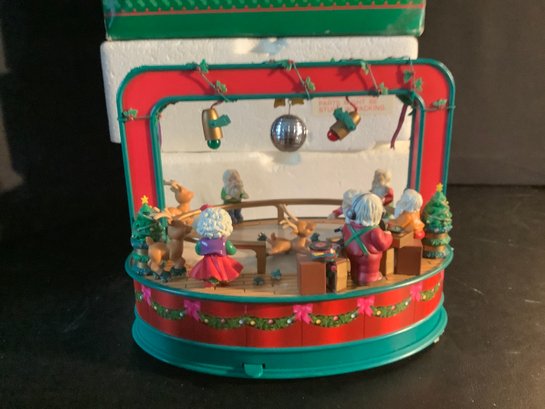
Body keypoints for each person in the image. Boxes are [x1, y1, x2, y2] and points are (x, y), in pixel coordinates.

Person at [342, 193, 393, 285]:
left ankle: (355, 275)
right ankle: (369, 278)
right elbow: (383, 245)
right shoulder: (375, 231)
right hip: (368, 258)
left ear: (353, 212)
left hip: (352, 254)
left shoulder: (347, 226)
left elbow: (344, 235)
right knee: (368, 271)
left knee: (355, 266)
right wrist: (388, 235)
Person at [189, 207, 243, 285]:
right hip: (222, 261)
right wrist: (233, 249)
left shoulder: (202, 242)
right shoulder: (224, 242)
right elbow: (231, 251)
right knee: (225, 269)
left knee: (209, 269)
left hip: (207, 261)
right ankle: (222, 279)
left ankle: (214, 279)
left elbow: (198, 251)